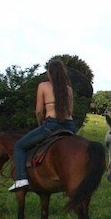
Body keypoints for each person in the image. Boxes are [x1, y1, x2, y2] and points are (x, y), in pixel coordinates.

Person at [9, 59, 78, 191]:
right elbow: (70, 111)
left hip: (51, 125)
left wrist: (41, 123)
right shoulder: (68, 90)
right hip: (69, 126)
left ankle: (21, 179)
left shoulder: (43, 86)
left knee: (19, 146)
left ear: (49, 73)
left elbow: (39, 110)